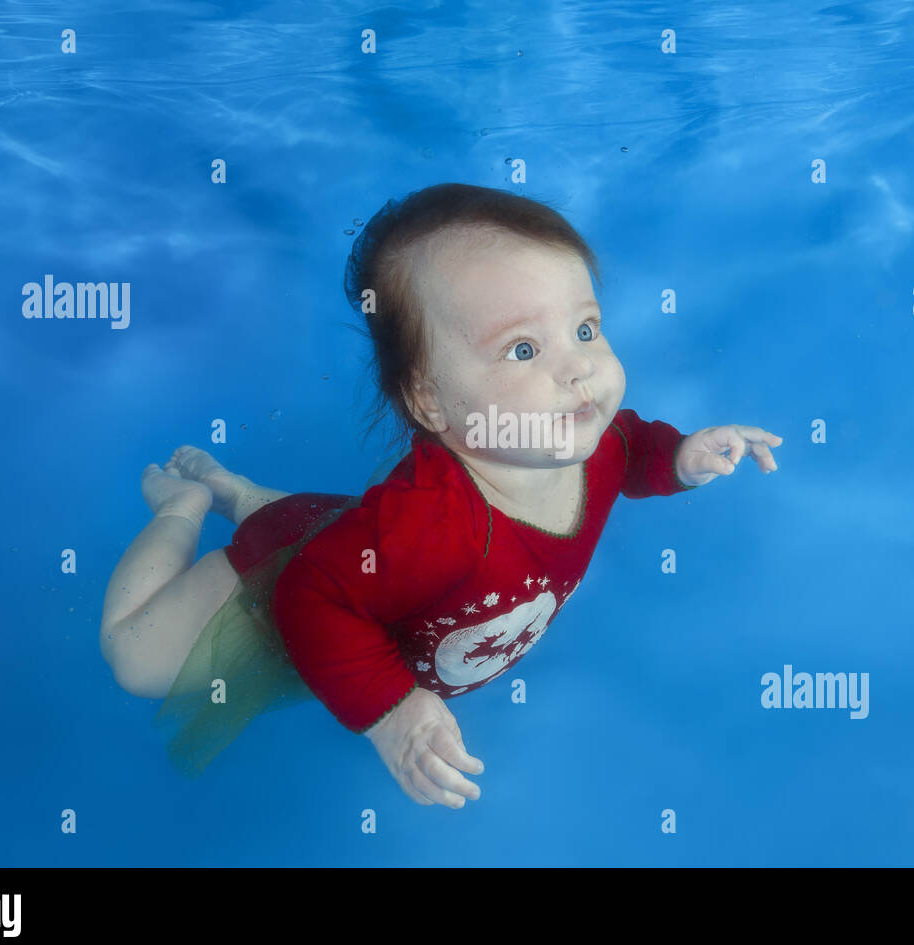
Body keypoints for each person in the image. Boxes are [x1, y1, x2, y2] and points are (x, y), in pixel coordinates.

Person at [98, 182, 782, 808]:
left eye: (584, 329)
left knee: (338, 537)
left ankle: (240, 490)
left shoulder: (584, 439)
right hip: (293, 592)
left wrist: (681, 458)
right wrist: (390, 712)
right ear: (429, 399)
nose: (579, 371)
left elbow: (630, 446)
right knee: (133, 657)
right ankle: (184, 505)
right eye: (522, 350)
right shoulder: (432, 523)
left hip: (359, 554)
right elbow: (309, 594)